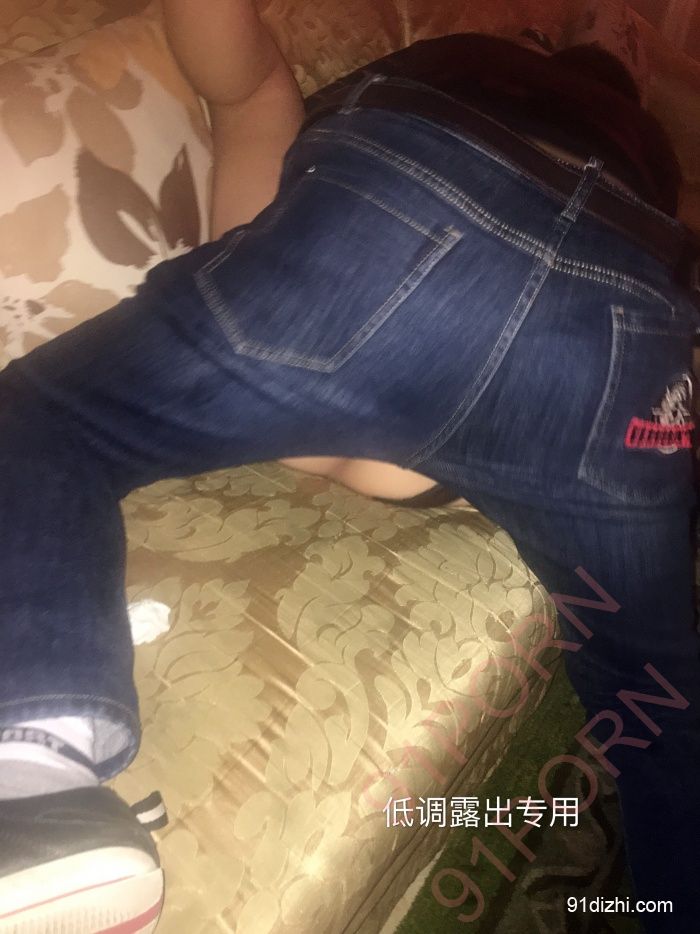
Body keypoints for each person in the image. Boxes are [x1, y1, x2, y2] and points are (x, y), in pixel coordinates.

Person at [1, 1, 699, 931]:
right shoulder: (633, 146)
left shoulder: (460, 64)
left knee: (43, 418)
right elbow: (248, 93)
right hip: (627, 320)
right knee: (655, 706)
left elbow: (248, 91)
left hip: (418, 200)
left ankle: (40, 779)